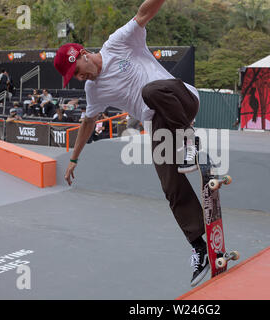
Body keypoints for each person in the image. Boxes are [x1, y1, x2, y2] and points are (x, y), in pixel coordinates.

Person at [54, 0, 208, 287]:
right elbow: (88, 122)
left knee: (150, 90)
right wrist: (74, 159)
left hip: (181, 99)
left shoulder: (118, 43)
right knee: (169, 182)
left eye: (77, 71)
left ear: (84, 54)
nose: (80, 78)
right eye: (74, 78)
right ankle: (200, 245)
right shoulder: (93, 90)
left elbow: (144, 12)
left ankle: (189, 140)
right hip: (159, 124)